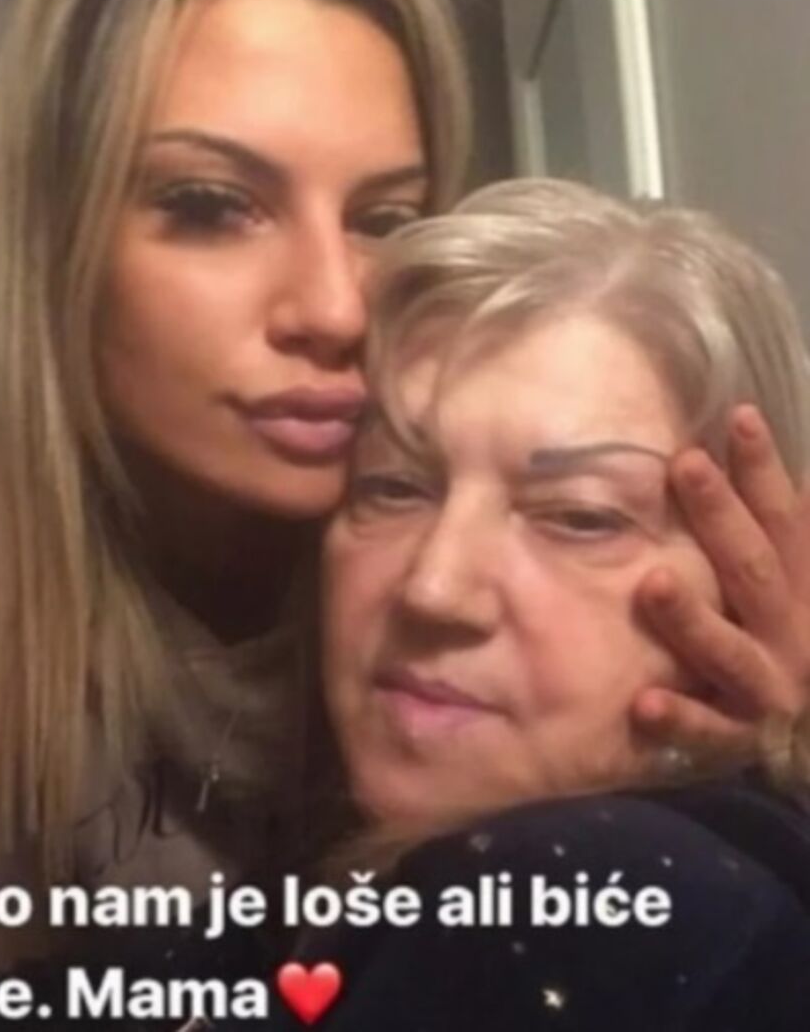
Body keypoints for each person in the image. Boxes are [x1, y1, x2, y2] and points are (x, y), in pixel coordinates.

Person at [0, 0, 810, 1029]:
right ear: (54, 250)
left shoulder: (613, 897)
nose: (338, 308)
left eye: (385, 218)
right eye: (210, 203)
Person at [276, 180, 810, 1029]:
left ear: (754, 588)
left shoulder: (590, 896)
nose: (435, 588)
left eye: (580, 516)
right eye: (392, 485)